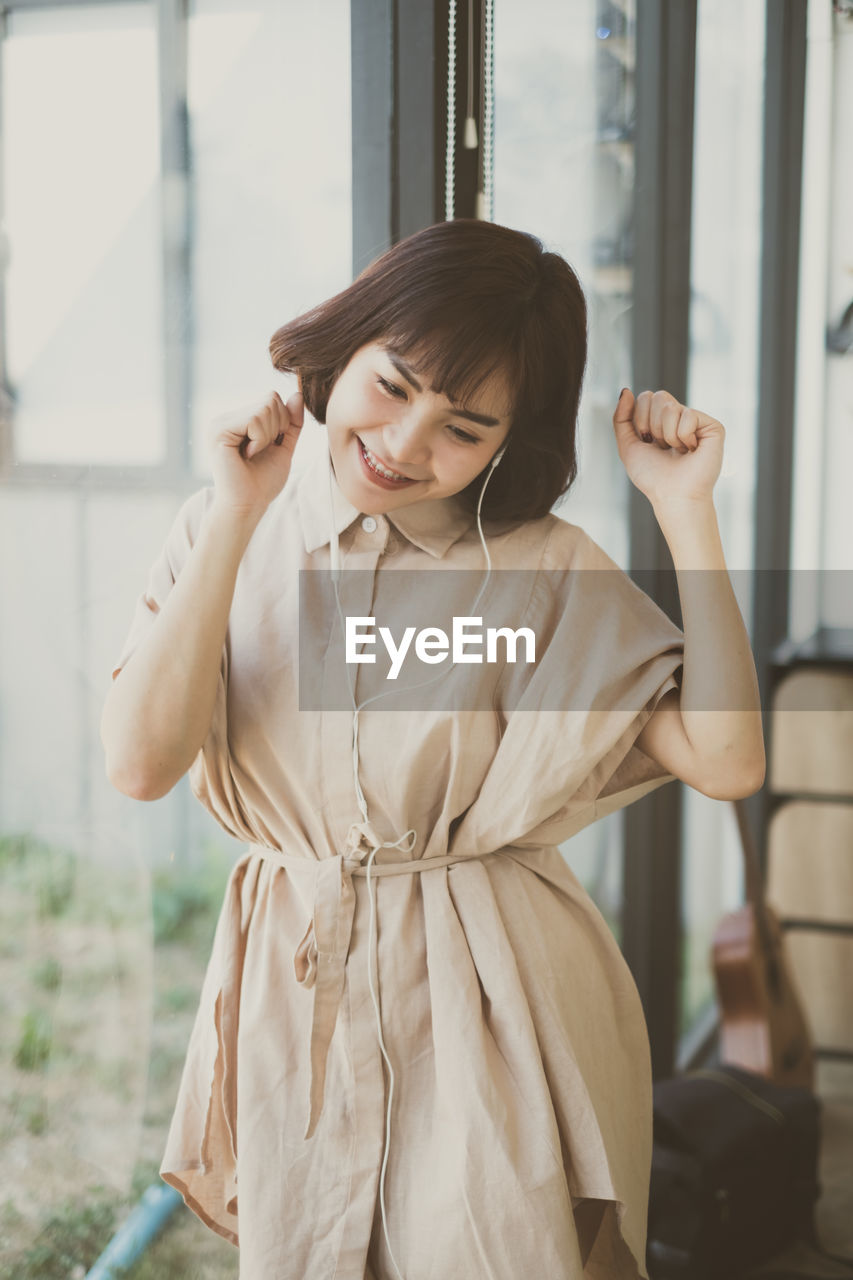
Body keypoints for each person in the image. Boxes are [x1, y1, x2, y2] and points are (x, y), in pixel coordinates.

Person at [101, 219, 764, 1280]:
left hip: (493, 999)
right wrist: (234, 519)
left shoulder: (542, 571)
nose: (407, 443)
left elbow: (727, 760)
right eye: (392, 383)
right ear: (344, 345)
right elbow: (139, 766)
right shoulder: (222, 524)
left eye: (464, 426)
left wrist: (686, 513)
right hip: (295, 984)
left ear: (510, 441)